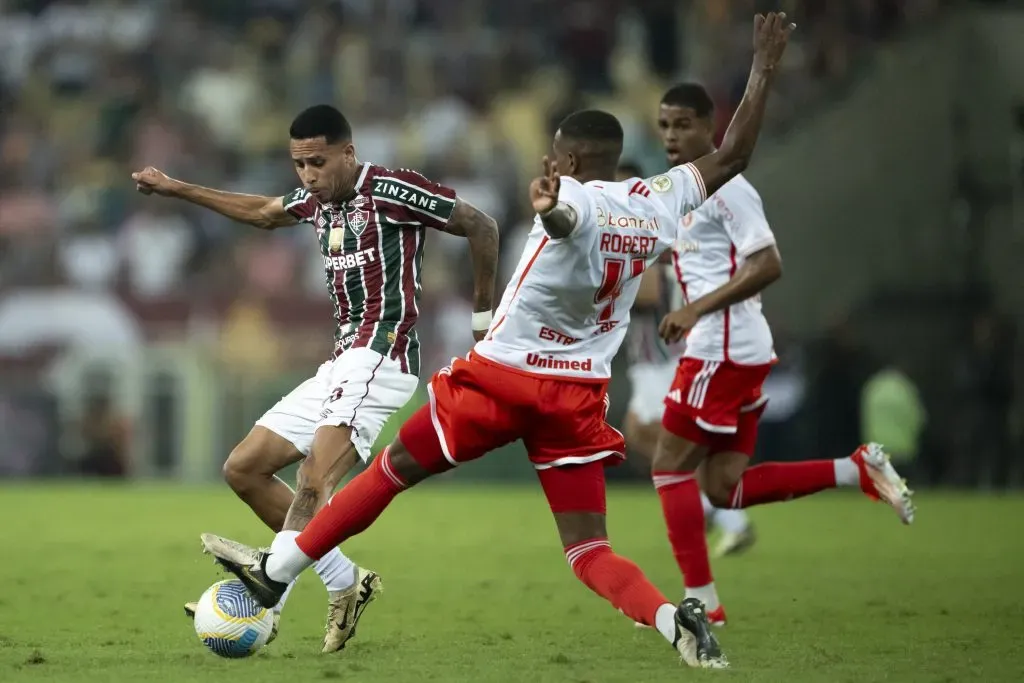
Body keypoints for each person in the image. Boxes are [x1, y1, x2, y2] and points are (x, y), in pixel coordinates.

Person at [198, 12, 796, 670]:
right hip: (577, 395)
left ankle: (275, 574)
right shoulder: (656, 199)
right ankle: (667, 617)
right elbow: (734, 155)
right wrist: (763, 69)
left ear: (565, 160)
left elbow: (568, 219)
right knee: (587, 549)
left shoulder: (575, 200)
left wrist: (550, 206)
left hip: (503, 379)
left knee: (389, 472)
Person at [131, 104, 499, 652]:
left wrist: (483, 317)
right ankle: (345, 582)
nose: (307, 176)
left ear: (348, 153)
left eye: (318, 163)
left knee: (313, 479)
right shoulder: (315, 201)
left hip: (382, 357)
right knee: (244, 469)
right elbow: (261, 210)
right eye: (299, 164)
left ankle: (262, 599)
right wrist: (175, 189)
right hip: (341, 361)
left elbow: (481, 224)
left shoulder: (393, 190)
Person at [649, 82, 915, 628]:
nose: (673, 136)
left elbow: (768, 263)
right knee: (724, 487)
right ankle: (855, 469)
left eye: (683, 124)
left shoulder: (730, 189)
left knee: (668, 468)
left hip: (720, 347)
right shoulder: (680, 190)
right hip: (738, 349)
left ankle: (704, 604)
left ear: (709, 127)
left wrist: (696, 309)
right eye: (665, 126)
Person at [616, 161, 755, 559]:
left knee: (657, 439)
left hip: (664, 355)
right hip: (657, 355)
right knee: (641, 433)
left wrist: (603, 282)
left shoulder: (645, 227)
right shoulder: (653, 224)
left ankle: (727, 516)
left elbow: (647, 294)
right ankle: (713, 509)